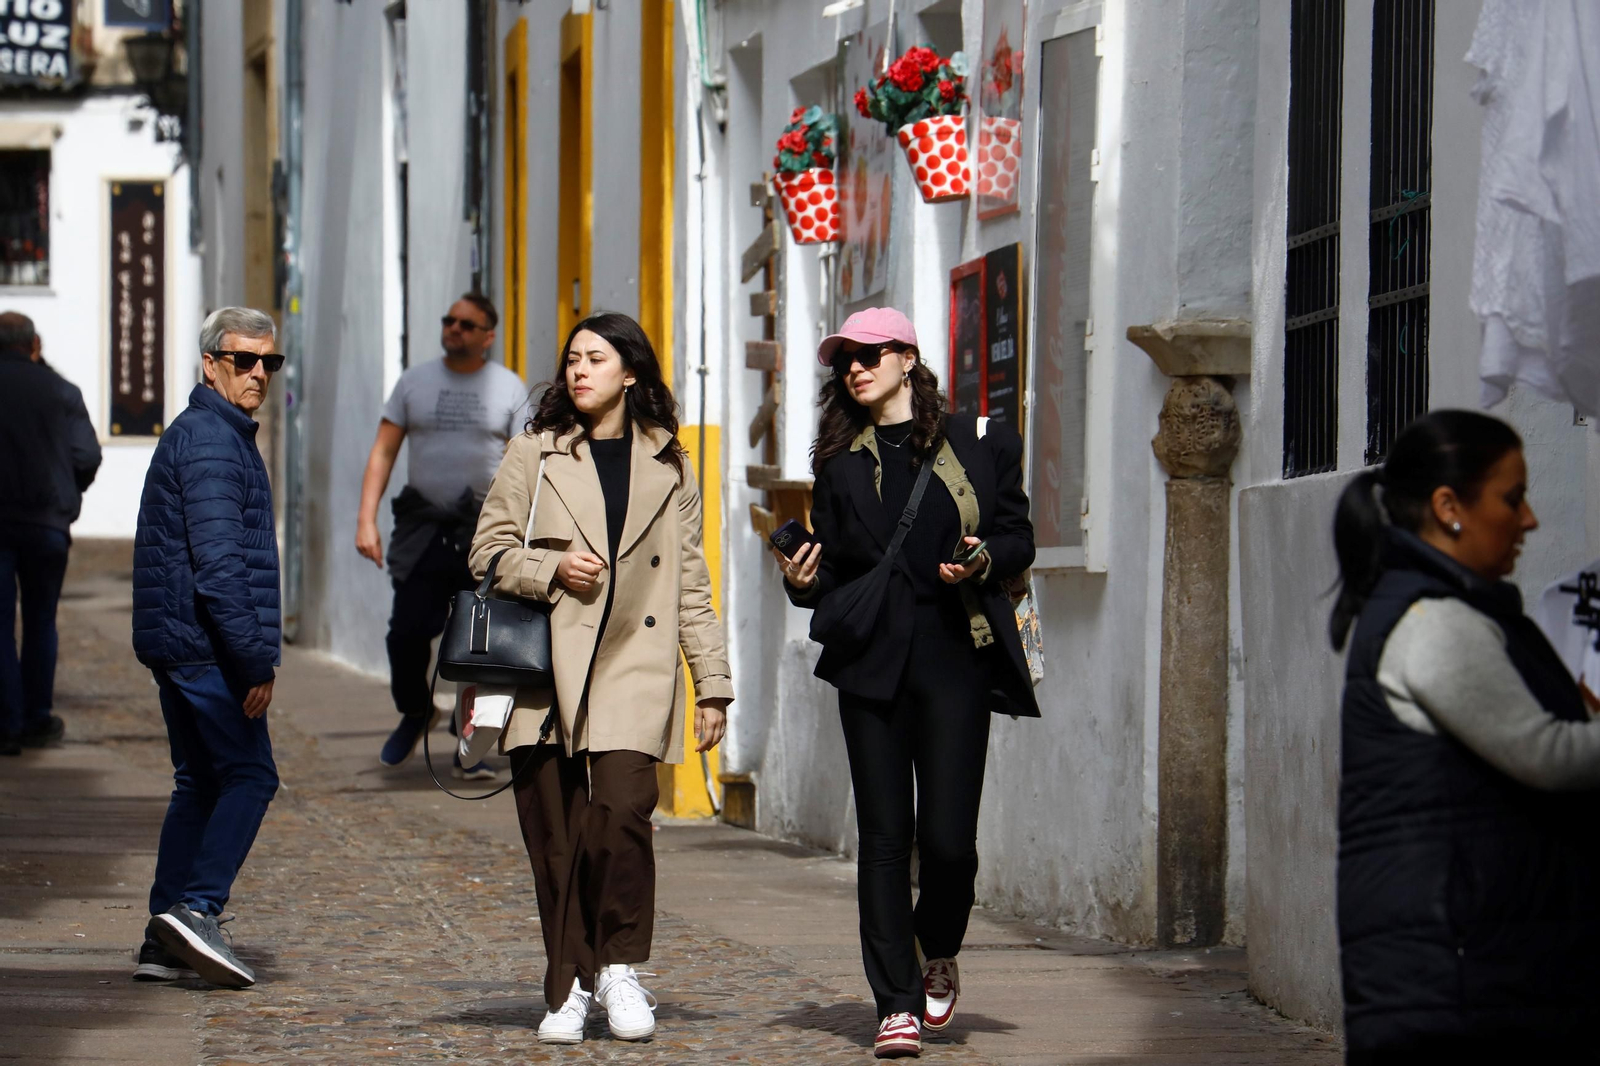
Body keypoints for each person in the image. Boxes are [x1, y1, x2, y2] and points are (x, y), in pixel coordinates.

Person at [774, 307, 1039, 1060]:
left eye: (867, 355)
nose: (854, 368)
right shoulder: (839, 461)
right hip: (872, 662)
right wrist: (800, 578)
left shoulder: (980, 442)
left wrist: (984, 557)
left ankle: (939, 947)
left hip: (956, 652)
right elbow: (831, 574)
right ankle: (894, 1002)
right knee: (886, 838)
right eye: (844, 360)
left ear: (906, 358)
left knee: (950, 843)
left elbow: (1018, 532)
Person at [469, 311, 732, 1045]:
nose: (579, 370)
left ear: (631, 374)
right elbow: (485, 552)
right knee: (556, 837)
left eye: (596, 358)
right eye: (572, 359)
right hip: (547, 671)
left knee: (622, 815)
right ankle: (570, 985)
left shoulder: (669, 464)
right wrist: (547, 567)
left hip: (633, 668)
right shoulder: (537, 454)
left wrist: (711, 682)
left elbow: (690, 583)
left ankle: (616, 968)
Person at [1330, 410, 1600, 1061]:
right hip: (1454, 979)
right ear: (1450, 506)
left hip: (1466, 967)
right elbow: (1550, 755)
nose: (1530, 520)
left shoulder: (1444, 606)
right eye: (1512, 499)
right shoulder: (1435, 623)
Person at [130, 307, 284, 988]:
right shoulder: (215, 442)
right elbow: (220, 566)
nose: (258, 373)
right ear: (210, 363)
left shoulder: (210, 433)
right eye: (243, 359)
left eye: (269, 362)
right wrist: (253, 660)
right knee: (251, 777)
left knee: (199, 781)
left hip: (183, 642)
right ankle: (197, 910)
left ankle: (163, 938)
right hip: (205, 649)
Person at [355, 293, 529, 780]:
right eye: (449, 320)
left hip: (485, 532)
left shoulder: (508, 387)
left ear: (487, 336)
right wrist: (365, 519)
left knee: (479, 646)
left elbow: (526, 463)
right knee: (405, 635)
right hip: (425, 531)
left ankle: (469, 746)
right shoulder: (415, 383)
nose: (454, 329)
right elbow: (384, 452)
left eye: (467, 325)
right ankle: (416, 711)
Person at [0, 312, 100, 755]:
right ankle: (37, 717)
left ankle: (6, 722)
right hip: (47, 525)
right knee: (42, 620)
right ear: (34, 343)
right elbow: (87, 455)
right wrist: (65, 492)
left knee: (1, 624)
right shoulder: (62, 391)